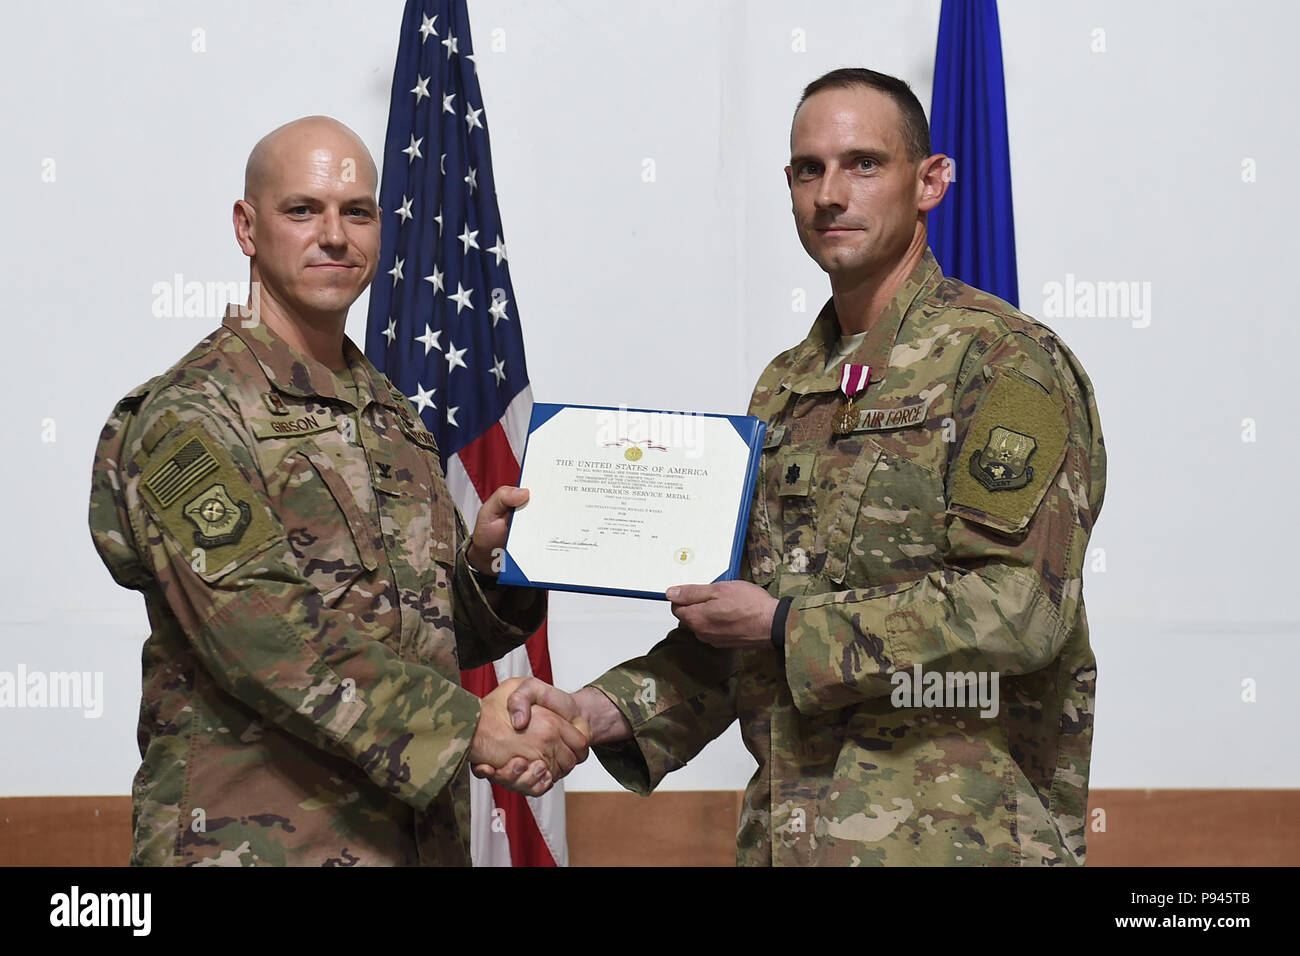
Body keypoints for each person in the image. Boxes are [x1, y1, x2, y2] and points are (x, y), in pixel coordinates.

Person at [487, 68, 1107, 866]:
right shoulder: (787, 389)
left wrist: (785, 624)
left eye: (864, 163)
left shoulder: (1007, 366)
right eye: (809, 169)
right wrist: (585, 711)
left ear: (931, 182)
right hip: (792, 839)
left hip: (959, 845)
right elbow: (736, 630)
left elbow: (1019, 609)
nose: (831, 193)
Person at [88, 116, 588, 867]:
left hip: (414, 842)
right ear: (246, 227)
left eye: (356, 211)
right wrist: (464, 727)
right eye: (302, 210)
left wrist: (482, 569)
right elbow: (263, 635)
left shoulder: (389, 416)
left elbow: (424, 633)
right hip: (256, 846)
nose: (333, 235)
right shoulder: (192, 416)